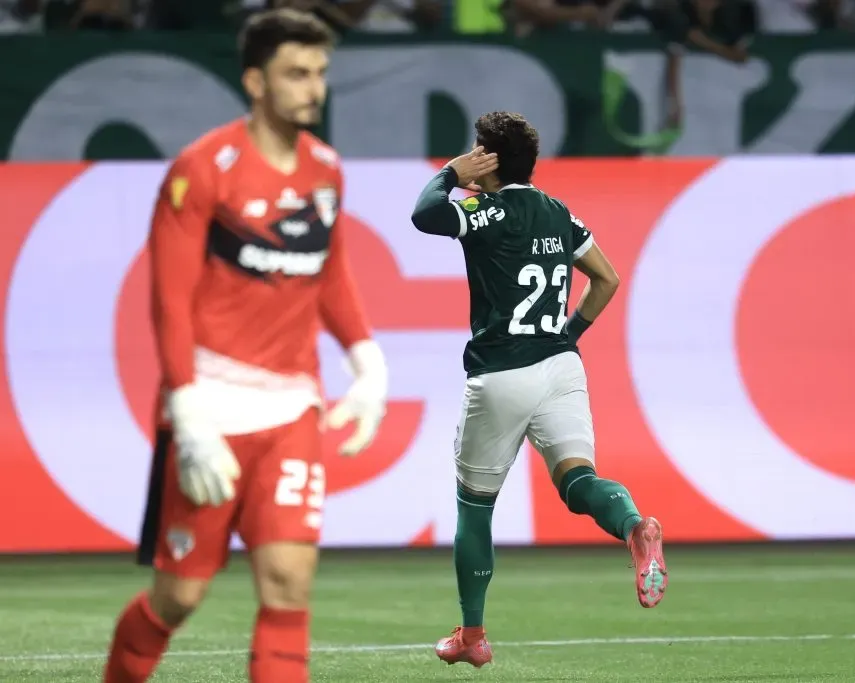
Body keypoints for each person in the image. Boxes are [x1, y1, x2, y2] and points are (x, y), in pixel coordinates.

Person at [102, 9, 388, 682]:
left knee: (289, 580)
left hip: (292, 405)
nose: (313, 87)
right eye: (296, 73)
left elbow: (329, 273)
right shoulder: (202, 170)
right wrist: (189, 414)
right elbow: (168, 300)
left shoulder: (326, 169)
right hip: (210, 406)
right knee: (181, 595)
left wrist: (367, 361)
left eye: (319, 73)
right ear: (256, 82)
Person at [410, 112, 668, 669]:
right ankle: (634, 526)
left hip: (502, 372)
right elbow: (607, 277)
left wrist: (452, 173)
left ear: (489, 160)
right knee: (579, 482)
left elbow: (425, 215)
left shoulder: (486, 210)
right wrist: (567, 335)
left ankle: (472, 635)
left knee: (474, 508)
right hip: (560, 368)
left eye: (479, 150)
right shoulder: (558, 212)